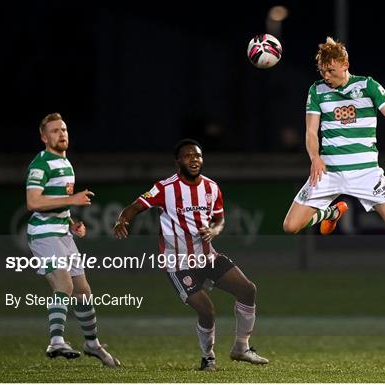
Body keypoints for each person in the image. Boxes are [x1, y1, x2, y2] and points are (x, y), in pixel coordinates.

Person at [282, 37, 385, 269]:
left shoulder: (368, 86)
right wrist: (315, 158)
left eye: (330, 70)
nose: (326, 76)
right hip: (329, 172)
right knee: (290, 226)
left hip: (367, 174)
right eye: (322, 71)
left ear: (345, 63)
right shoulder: (317, 90)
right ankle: (331, 213)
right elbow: (310, 131)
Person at [113, 139, 269, 371]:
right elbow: (135, 206)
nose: (194, 160)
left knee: (248, 290)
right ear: (178, 162)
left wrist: (214, 230)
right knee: (206, 310)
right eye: (188, 156)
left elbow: (219, 219)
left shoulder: (211, 187)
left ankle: (241, 347)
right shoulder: (165, 188)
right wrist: (122, 220)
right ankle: (208, 357)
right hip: (178, 263)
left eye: (197, 155)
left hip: (207, 256)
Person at [26, 112, 120, 367]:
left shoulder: (66, 164)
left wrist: (72, 223)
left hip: (62, 233)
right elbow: (33, 202)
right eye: (55, 131)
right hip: (43, 234)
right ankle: (56, 341)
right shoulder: (40, 164)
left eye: (64, 129)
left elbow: (58, 202)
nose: (62, 134)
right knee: (64, 285)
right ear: (44, 137)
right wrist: (72, 200)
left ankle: (92, 344)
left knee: (83, 292)